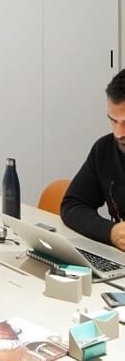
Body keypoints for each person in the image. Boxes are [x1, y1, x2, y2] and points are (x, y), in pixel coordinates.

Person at [61, 69, 125, 250]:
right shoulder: (104, 150)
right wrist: (110, 232)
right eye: (113, 120)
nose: (118, 133)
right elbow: (73, 205)